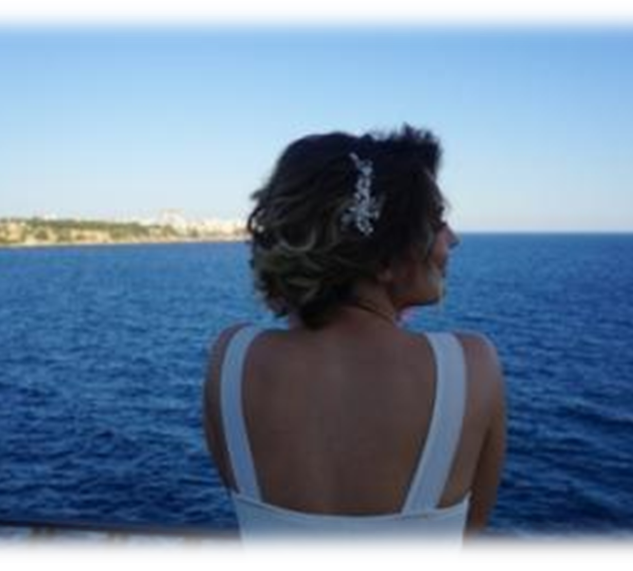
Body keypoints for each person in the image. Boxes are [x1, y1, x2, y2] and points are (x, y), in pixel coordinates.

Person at [200, 126, 508, 562]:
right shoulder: (471, 365)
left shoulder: (232, 358)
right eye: (437, 221)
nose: (452, 238)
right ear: (383, 258)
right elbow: (468, 525)